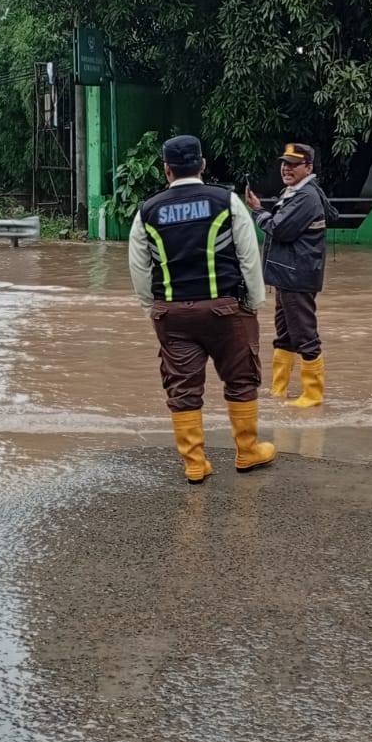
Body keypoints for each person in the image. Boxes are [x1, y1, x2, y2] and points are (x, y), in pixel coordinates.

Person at [129, 135, 275, 482]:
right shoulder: (226, 201)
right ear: (203, 165)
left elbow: (139, 267)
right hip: (226, 309)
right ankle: (247, 452)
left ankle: (194, 463)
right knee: (241, 379)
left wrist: (152, 308)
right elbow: (248, 256)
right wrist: (254, 302)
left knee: (182, 388)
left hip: (172, 314)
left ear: (166, 169)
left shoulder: (147, 211)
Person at [243, 142, 337, 408]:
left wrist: (258, 211)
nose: (286, 169)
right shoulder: (295, 192)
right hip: (288, 276)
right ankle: (279, 390)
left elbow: (279, 228)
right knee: (285, 334)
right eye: (284, 164)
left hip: (297, 277)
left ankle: (313, 395)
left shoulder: (306, 197)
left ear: (308, 167)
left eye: (293, 165)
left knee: (304, 334)